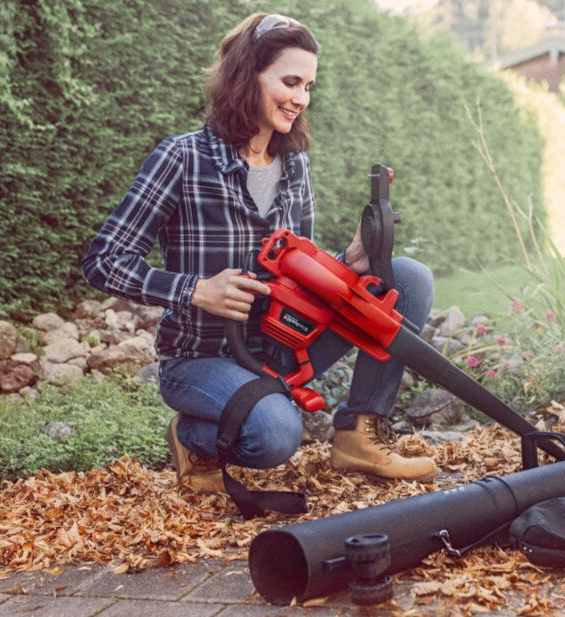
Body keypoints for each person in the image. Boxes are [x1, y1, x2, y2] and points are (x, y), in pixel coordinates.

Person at [82, 12, 438, 494]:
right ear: (246, 76)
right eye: (290, 81)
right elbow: (104, 259)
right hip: (200, 357)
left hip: (282, 344)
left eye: (308, 86)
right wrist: (196, 290)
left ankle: (359, 435)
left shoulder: (295, 166)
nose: (300, 98)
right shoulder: (181, 158)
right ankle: (192, 438)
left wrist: (348, 264)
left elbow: (299, 273)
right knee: (275, 436)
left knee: (406, 278)